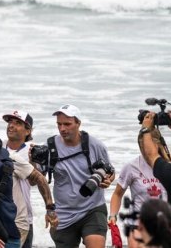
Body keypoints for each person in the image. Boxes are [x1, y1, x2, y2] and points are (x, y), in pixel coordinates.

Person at [45, 104, 114, 248]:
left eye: (67, 124)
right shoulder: (50, 146)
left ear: (78, 123)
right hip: (63, 213)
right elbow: (36, 179)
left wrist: (108, 180)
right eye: (59, 124)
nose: (62, 129)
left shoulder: (95, 145)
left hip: (92, 208)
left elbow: (110, 171)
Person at [2, 110, 58, 247]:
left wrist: (49, 209)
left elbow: (36, 180)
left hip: (22, 218)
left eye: (17, 123)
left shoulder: (33, 151)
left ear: (28, 131)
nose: (11, 125)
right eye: (10, 122)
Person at [109, 134, 167, 248]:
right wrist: (112, 215)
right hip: (137, 223)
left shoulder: (170, 164)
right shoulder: (132, 166)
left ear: (157, 145)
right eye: (142, 147)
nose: (145, 151)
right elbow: (117, 194)